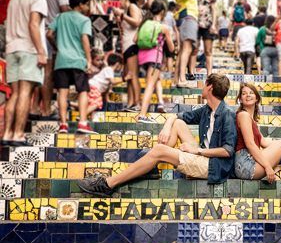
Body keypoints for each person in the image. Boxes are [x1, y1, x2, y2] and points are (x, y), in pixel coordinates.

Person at [76, 73, 237, 196]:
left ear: (209, 87)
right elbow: (177, 116)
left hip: (213, 167)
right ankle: (152, 164)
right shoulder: (207, 109)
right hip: (204, 157)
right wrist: (167, 126)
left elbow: (227, 150)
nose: (202, 87)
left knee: (159, 151)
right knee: (178, 123)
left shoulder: (227, 114)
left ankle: (108, 185)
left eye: (204, 85)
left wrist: (198, 151)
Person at [2, 0, 47, 146]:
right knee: (25, 93)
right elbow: (33, 24)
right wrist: (41, 51)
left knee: (14, 94)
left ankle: (7, 133)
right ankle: (18, 134)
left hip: (12, 49)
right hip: (29, 49)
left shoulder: (14, 0)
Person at [47, 0, 95, 134]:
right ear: (80, 5)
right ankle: (82, 122)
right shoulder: (84, 20)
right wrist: (89, 59)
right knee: (82, 91)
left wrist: (58, 47)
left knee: (62, 92)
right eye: (87, 5)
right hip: (78, 61)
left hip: (61, 61)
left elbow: (49, 34)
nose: (88, 8)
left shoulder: (60, 17)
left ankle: (63, 125)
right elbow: (85, 39)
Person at [32, 0, 75, 120]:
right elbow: (65, 11)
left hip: (38, 32)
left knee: (41, 73)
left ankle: (35, 108)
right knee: (49, 74)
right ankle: (46, 109)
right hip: (51, 35)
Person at [136, 1, 175, 124]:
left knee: (156, 80)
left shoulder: (144, 23)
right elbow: (172, 48)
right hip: (155, 57)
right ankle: (142, 114)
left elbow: (135, 39)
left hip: (142, 57)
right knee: (149, 85)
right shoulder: (162, 27)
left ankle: (160, 103)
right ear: (162, 12)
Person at [113, 0, 142, 112]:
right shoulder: (125, 11)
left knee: (133, 75)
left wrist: (122, 15)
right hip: (126, 46)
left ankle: (138, 104)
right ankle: (130, 104)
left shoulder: (132, 6)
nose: (118, 2)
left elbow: (137, 22)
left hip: (132, 45)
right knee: (128, 76)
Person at [174, 0, 201, 88]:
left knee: (183, 50)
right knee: (187, 48)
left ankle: (177, 80)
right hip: (187, 17)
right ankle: (182, 79)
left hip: (189, 18)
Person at [85, 53, 125, 118]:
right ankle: (82, 116)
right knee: (97, 103)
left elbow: (106, 88)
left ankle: (90, 119)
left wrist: (107, 99)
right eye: (121, 65)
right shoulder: (109, 69)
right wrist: (124, 79)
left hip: (92, 87)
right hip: (94, 87)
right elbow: (113, 81)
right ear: (117, 64)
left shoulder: (108, 71)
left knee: (92, 104)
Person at [195, 0, 217, 76]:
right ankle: (191, 72)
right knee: (194, 49)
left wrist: (213, 25)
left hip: (207, 25)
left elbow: (214, 10)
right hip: (194, 25)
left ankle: (209, 74)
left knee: (208, 51)